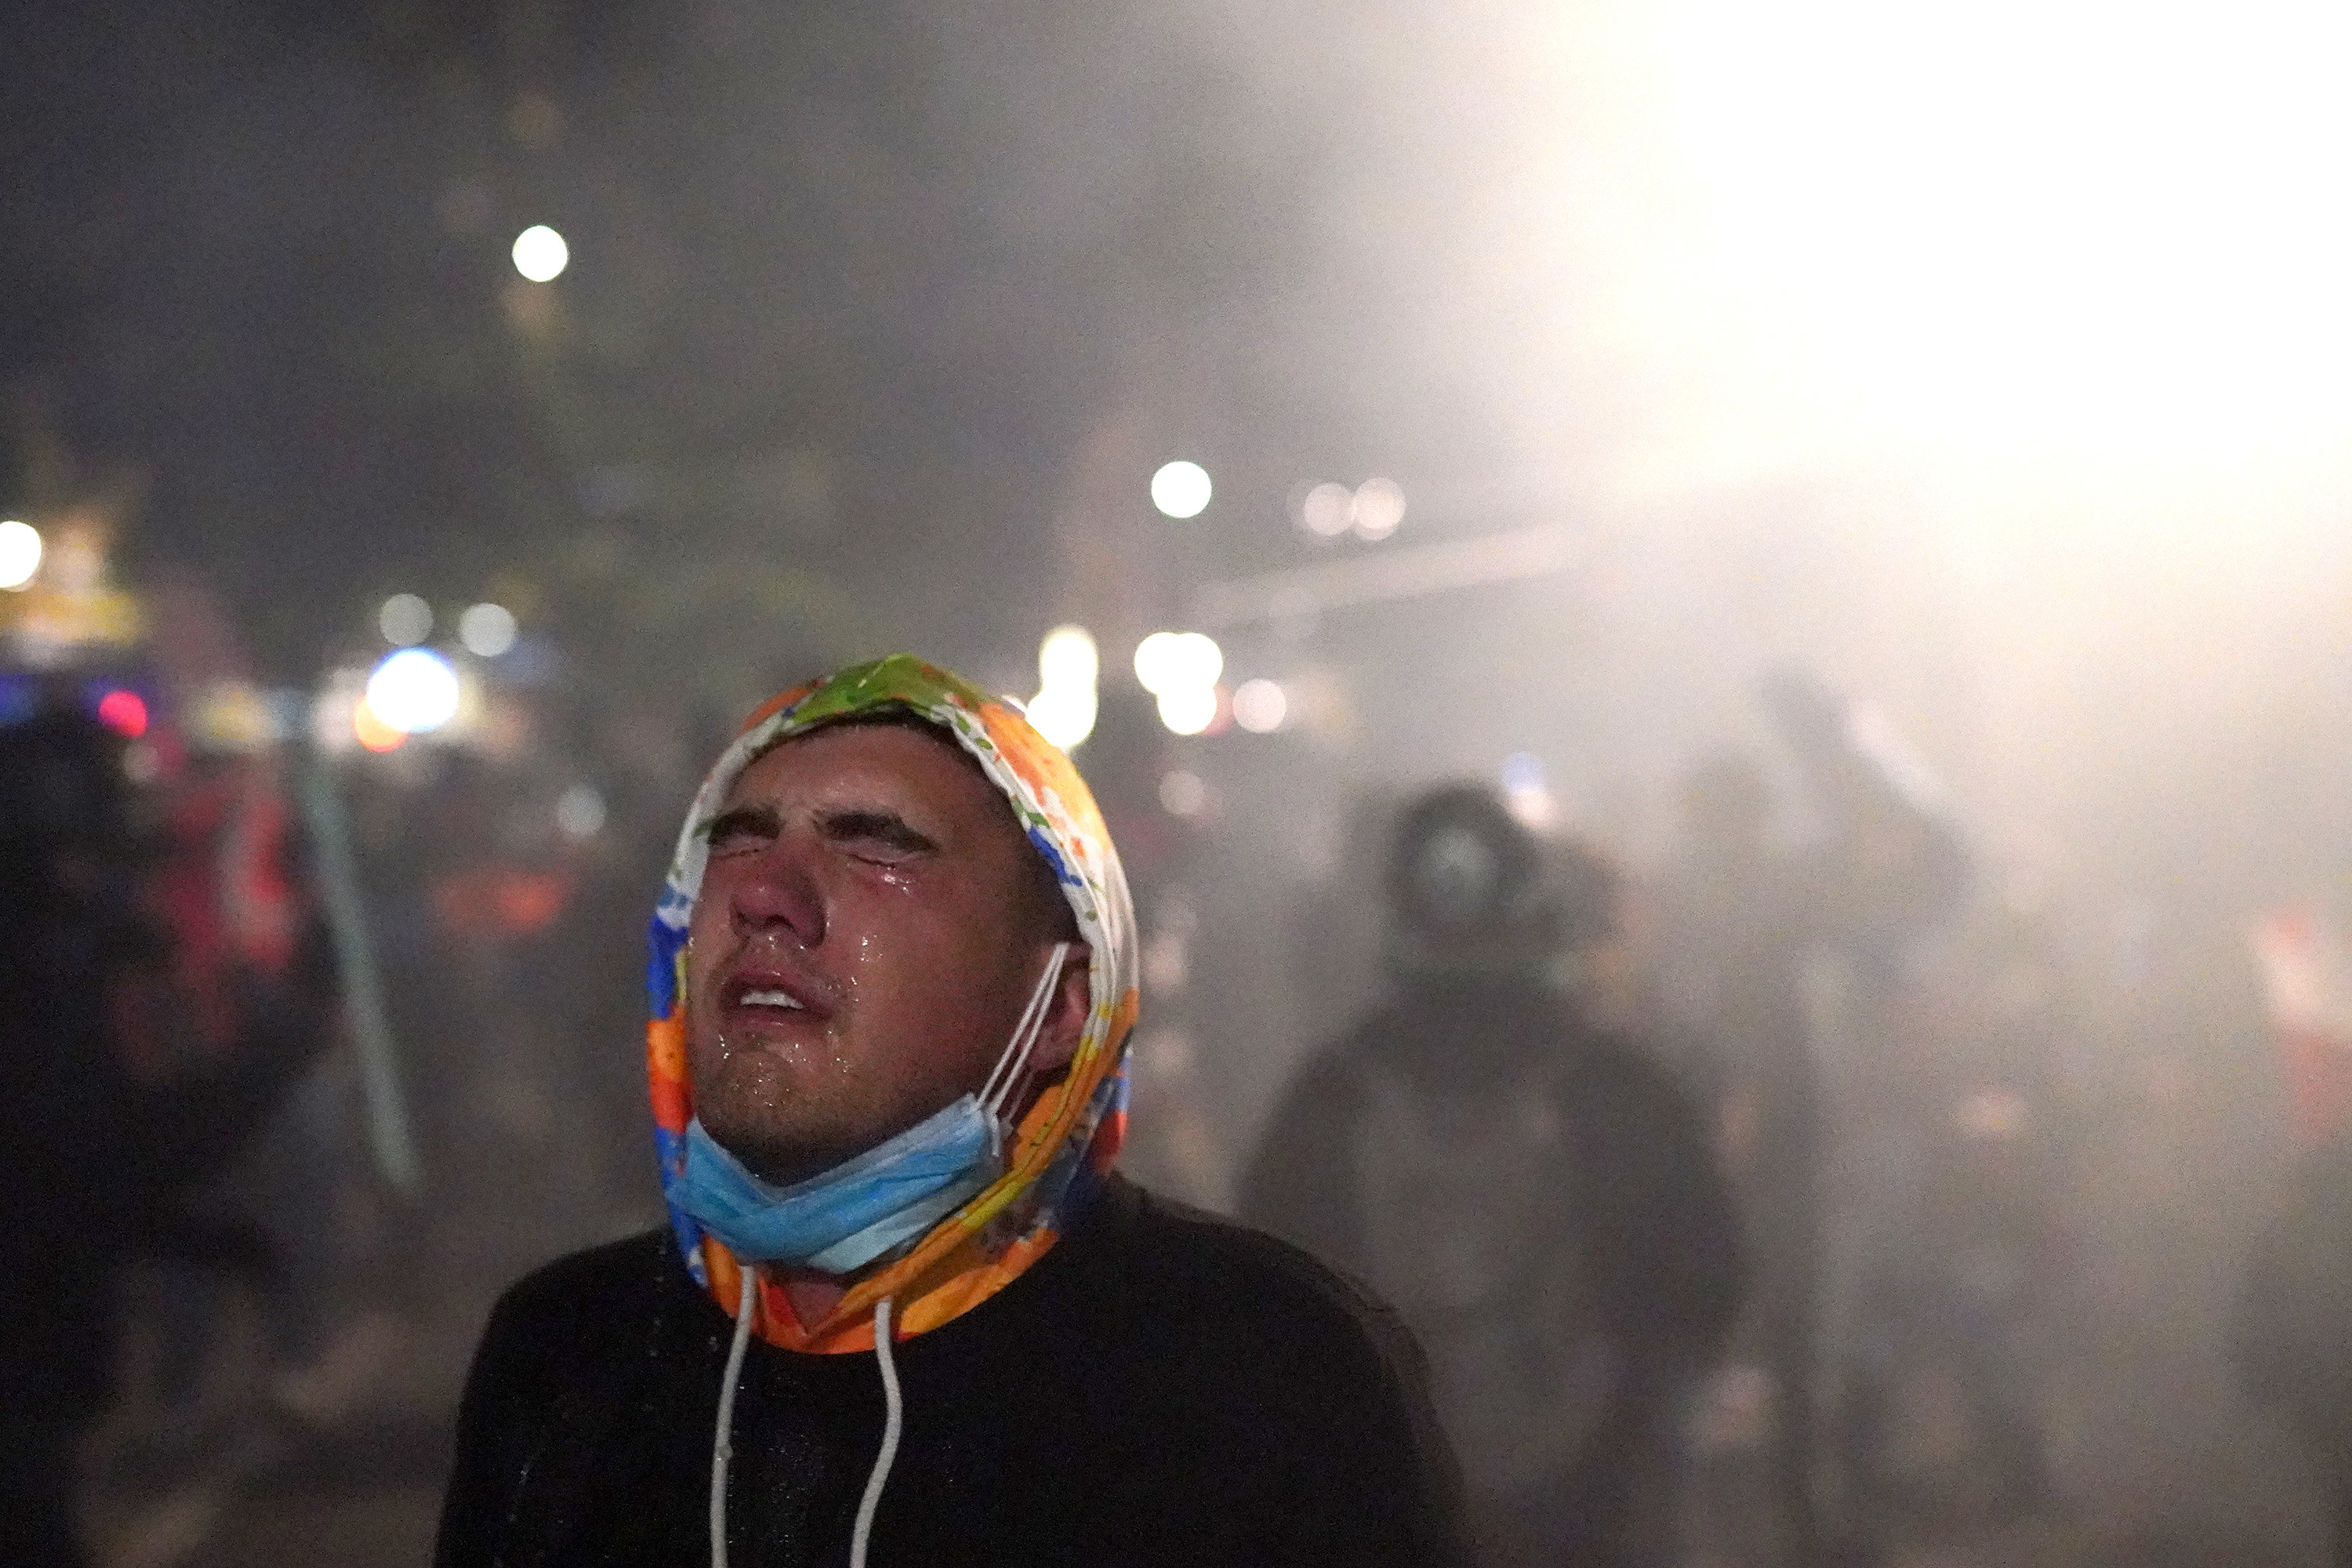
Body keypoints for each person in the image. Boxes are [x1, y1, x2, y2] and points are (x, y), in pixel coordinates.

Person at [434, 654, 1465, 1568]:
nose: (765, 896)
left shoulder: (1269, 1378)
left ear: (1062, 1005)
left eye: (879, 847)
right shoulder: (565, 1358)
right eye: (736, 845)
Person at [1242, 783, 1742, 1568]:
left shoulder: (1330, 1097)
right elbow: (1706, 1279)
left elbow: (1263, 1307)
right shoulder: (1614, 1087)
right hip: (1595, 1496)